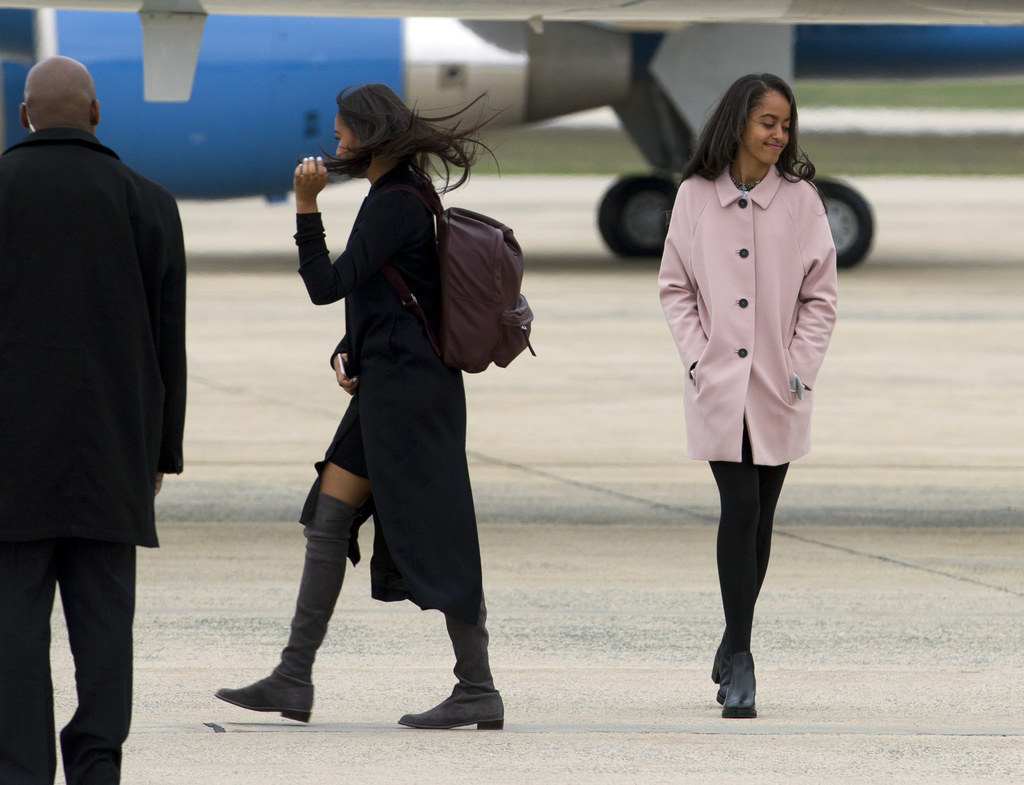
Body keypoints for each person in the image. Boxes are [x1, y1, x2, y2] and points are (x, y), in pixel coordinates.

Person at [215, 83, 503, 730]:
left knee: (441, 532)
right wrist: (353, 349)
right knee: (330, 514)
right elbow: (393, 294)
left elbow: (326, 284)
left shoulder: (395, 201)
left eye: (343, 129)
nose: (336, 139)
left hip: (409, 396)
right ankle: (293, 674)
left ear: (367, 133)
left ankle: (477, 685)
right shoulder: (400, 196)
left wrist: (305, 207)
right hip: (392, 386)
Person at [0, 56, 187, 783]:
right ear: (97, 113)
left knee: (13, 630)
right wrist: (162, 454)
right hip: (114, 455)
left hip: (11, 460)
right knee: (106, 628)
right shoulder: (149, 203)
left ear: (24, 116)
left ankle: (19, 768)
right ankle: (98, 761)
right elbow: (167, 343)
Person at [658, 73, 838, 719]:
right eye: (768, 122)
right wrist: (698, 355)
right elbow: (675, 287)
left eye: (786, 125)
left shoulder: (801, 199)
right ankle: (743, 661)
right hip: (718, 385)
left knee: (760, 519)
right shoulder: (693, 196)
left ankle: (732, 636)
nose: (778, 135)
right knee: (738, 508)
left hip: (779, 388)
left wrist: (800, 366)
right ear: (739, 121)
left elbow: (821, 295)